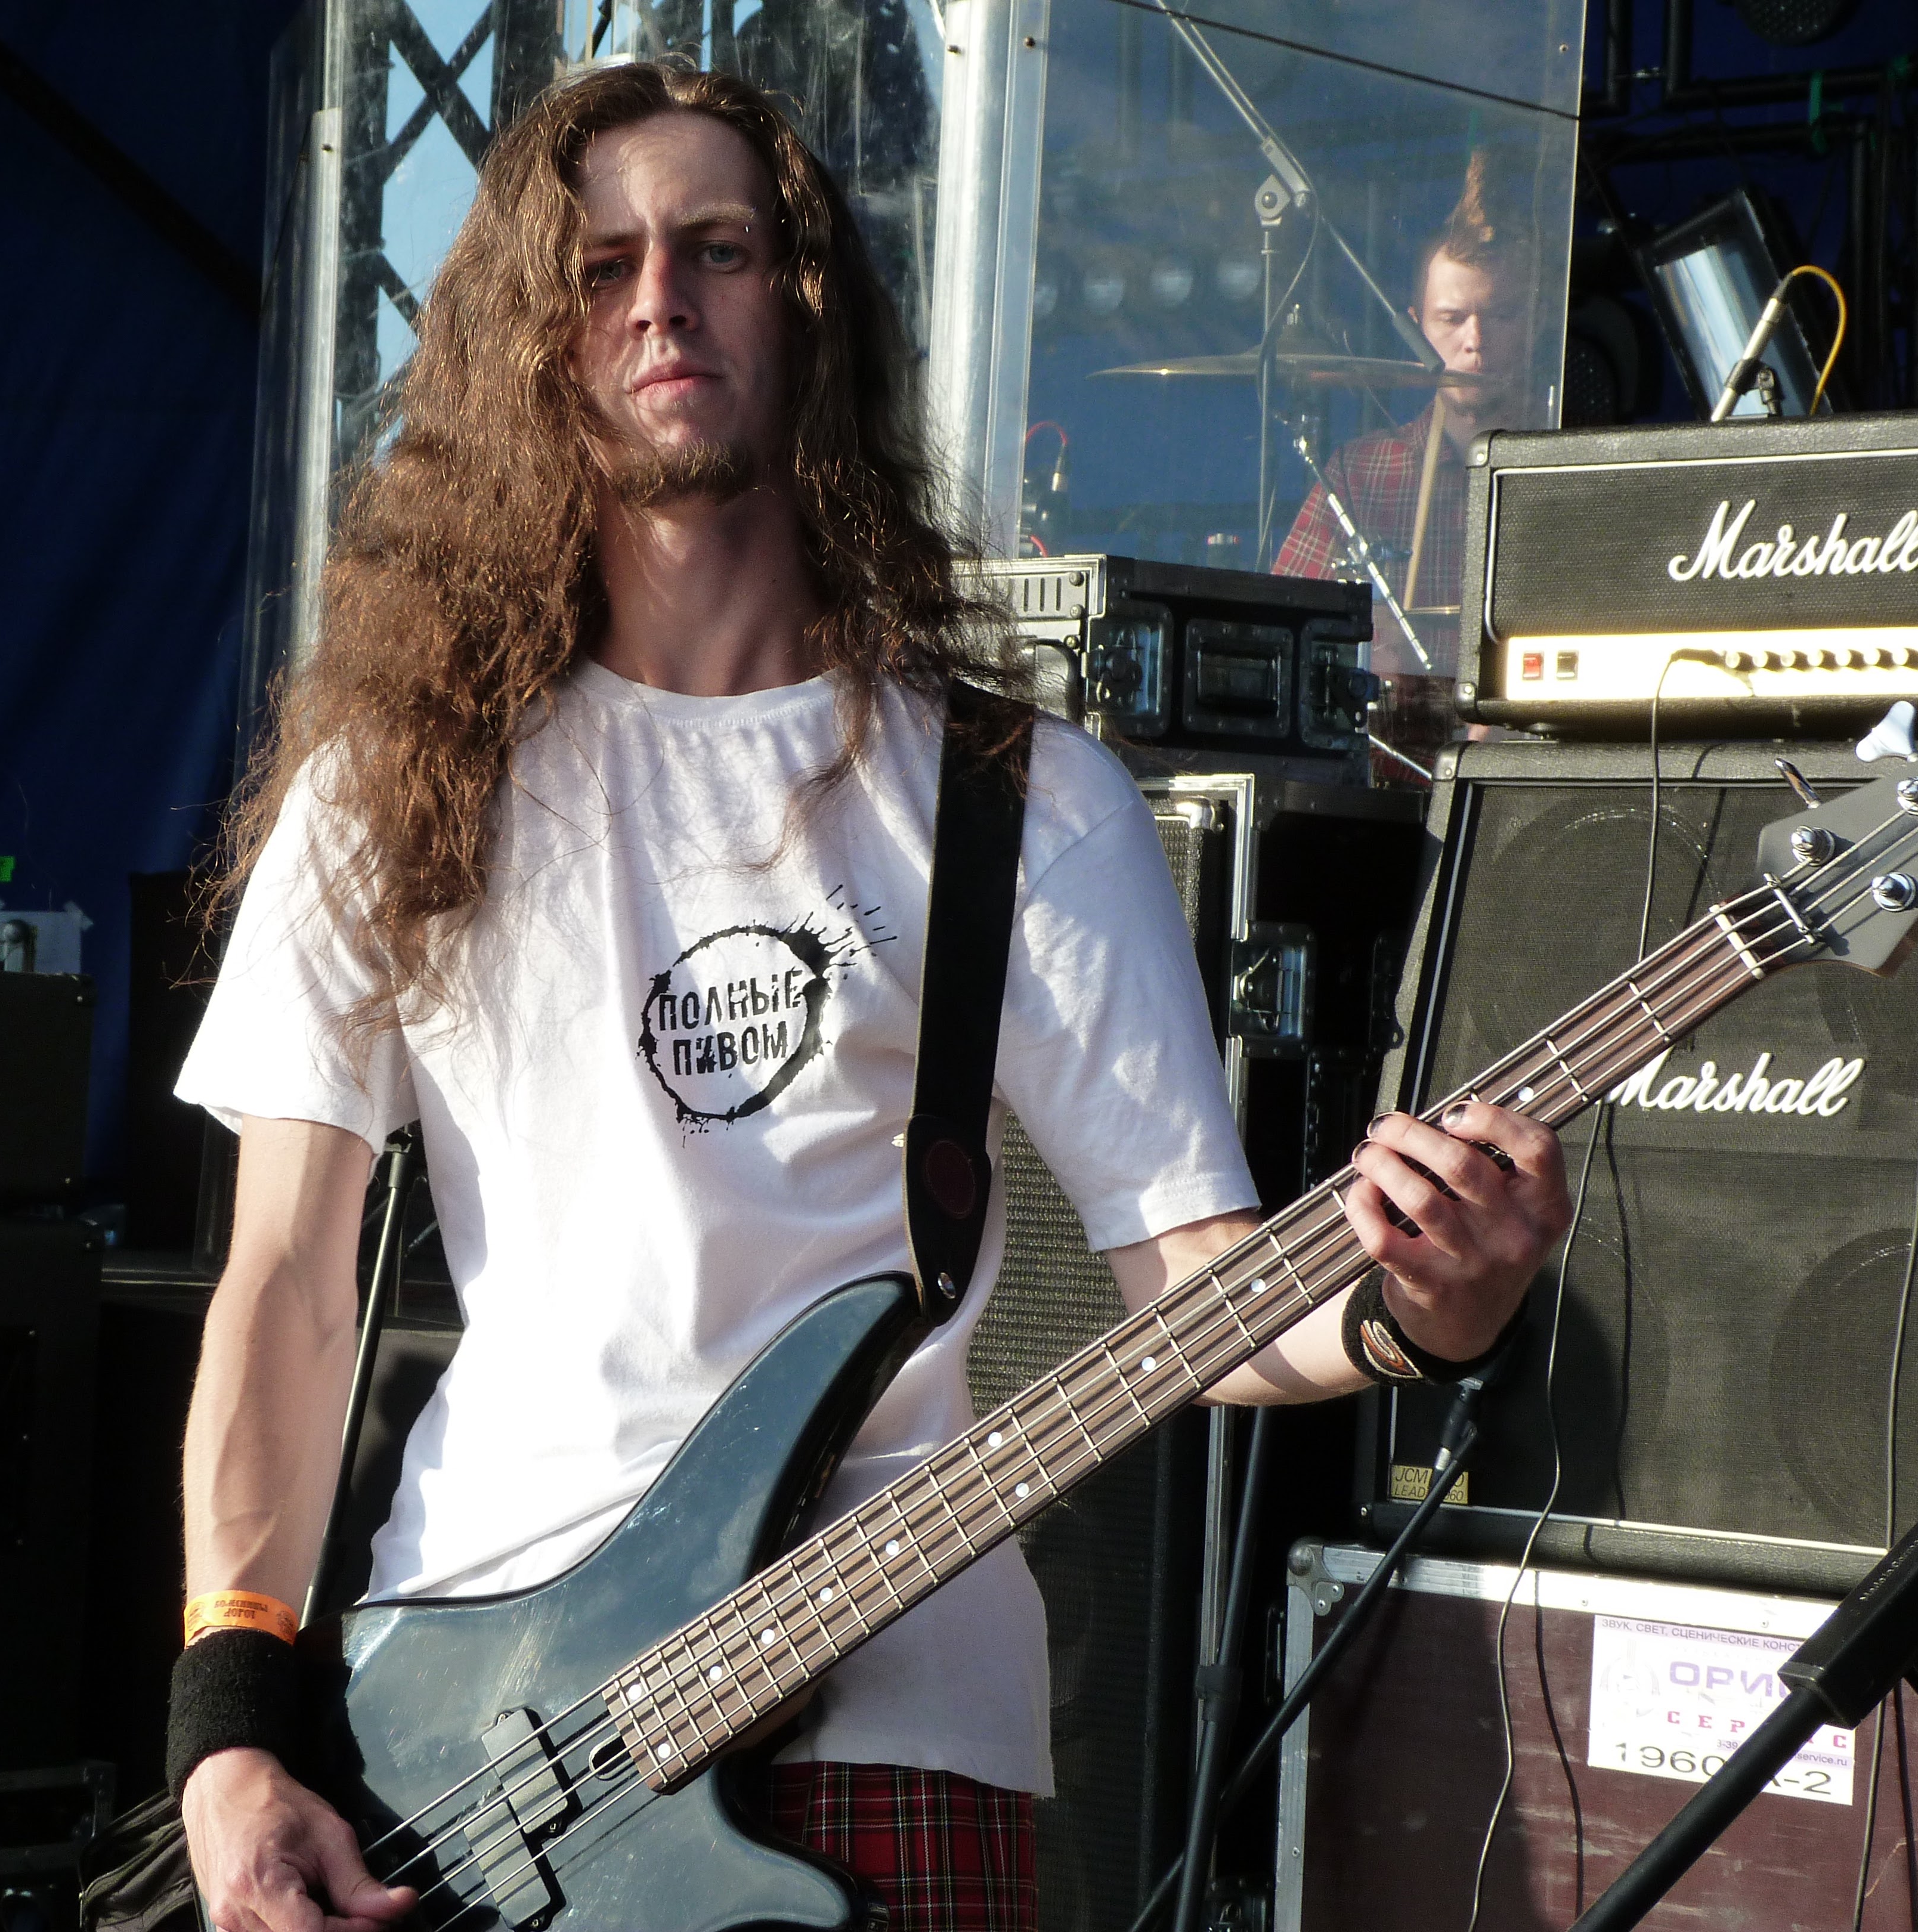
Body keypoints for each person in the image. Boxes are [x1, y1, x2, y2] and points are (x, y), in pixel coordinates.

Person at [172, 61, 1567, 1932]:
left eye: (718, 249)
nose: (658, 301)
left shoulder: (1018, 803)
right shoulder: (398, 786)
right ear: (530, 343)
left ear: (808, 304)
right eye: (599, 267)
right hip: (468, 1734)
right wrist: (231, 1725)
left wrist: (1422, 1314)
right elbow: (284, 1280)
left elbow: (1202, 1296)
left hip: (896, 1733)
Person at [1273, 152, 1537, 668]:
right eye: (1452, 319)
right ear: (1417, 329)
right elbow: (1283, 638)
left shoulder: (1572, 472)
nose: (1476, 341)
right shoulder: (1360, 476)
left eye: (1501, 315)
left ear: (1536, 320)